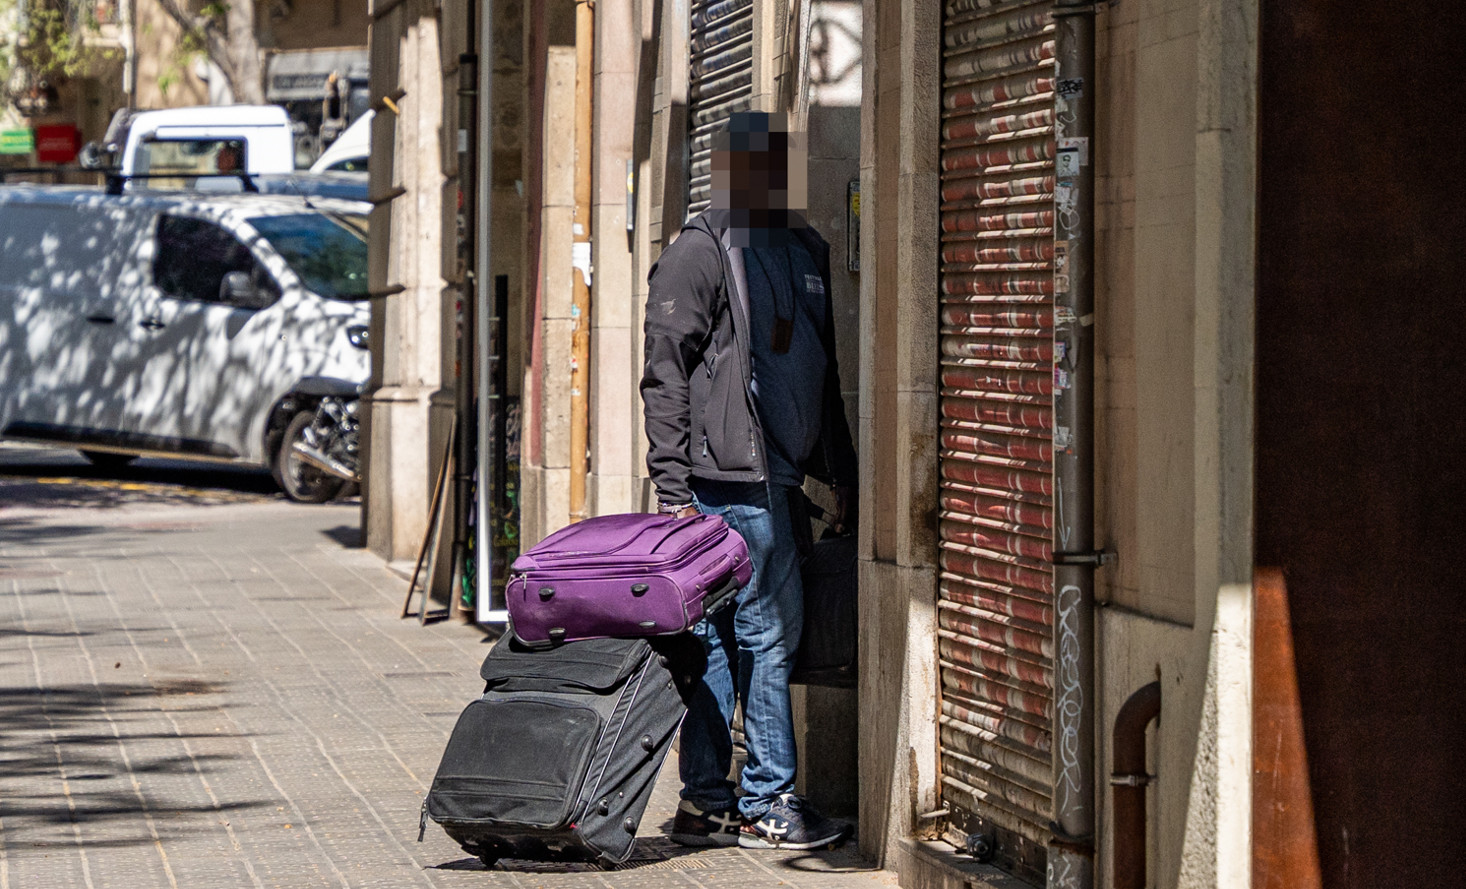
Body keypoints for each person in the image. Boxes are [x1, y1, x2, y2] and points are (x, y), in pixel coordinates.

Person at [640, 111, 858, 850]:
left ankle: (709, 802)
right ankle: (765, 798)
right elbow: (663, 373)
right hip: (725, 481)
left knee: (741, 636)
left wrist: (843, 474)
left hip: (779, 480)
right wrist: (671, 487)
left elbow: (820, 375)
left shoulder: (801, 248)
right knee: (755, 634)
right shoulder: (698, 254)